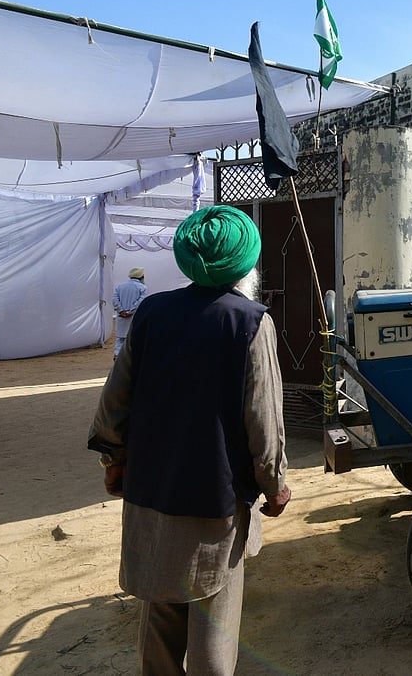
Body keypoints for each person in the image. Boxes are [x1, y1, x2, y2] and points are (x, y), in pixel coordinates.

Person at [88, 205, 290, 675]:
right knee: (213, 628)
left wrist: (113, 459)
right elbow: (263, 419)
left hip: (151, 492)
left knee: (160, 615)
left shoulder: (153, 312)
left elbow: (115, 401)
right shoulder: (250, 321)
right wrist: (274, 483)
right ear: (246, 265)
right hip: (215, 503)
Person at [111, 267, 147, 359]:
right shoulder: (142, 288)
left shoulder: (120, 286)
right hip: (134, 317)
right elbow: (141, 302)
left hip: (121, 317)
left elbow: (115, 300)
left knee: (120, 339)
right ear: (141, 277)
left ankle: (117, 357)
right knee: (134, 338)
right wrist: (130, 311)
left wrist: (121, 311)